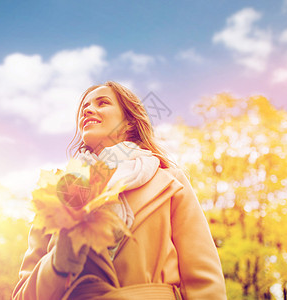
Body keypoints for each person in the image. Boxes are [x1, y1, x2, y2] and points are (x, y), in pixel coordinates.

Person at [12, 81, 227, 299]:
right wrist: (57, 264)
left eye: (102, 102)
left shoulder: (170, 181)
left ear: (129, 123)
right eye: (84, 106)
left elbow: (204, 281)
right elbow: (22, 295)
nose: (87, 110)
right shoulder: (56, 195)